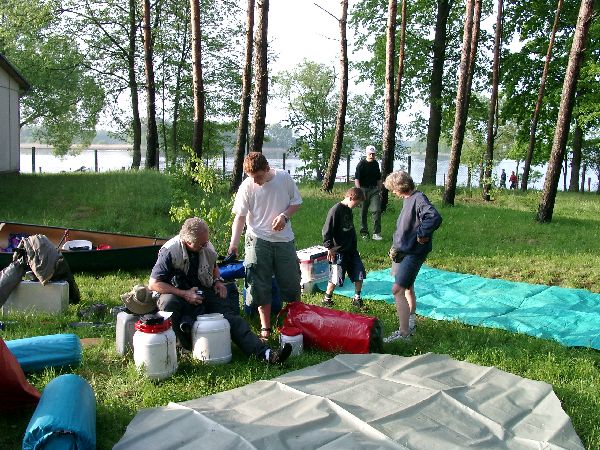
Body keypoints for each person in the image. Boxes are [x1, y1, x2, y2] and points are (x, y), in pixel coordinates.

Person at [148, 217, 292, 365]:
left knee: (229, 317)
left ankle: (266, 354)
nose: (206, 245)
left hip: (202, 290)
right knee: (168, 303)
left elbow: (213, 266)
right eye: (201, 244)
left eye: (206, 241)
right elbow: (154, 283)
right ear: (188, 241)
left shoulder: (206, 247)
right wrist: (184, 294)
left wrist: (218, 282)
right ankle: (183, 348)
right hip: (175, 293)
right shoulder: (170, 251)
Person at [228, 152, 302, 342]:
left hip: (284, 240)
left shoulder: (283, 178)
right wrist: (233, 245)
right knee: (260, 284)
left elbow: (296, 202)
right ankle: (265, 328)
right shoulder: (247, 186)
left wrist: (285, 216)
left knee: (292, 283)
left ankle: (294, 323)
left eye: (259, 177)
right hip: (258, 240)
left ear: (267, 168)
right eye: (253, 178)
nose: (257, 182)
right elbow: (240, 217)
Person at [382, 171, 442, 343]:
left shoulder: (419, 198)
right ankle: (410, 322)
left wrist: (423, 234)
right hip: (402, 250)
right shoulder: (409, 199)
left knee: (397, 290)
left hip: (413, 252)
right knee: (407, 287)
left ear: (400, 187)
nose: (393, 193)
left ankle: (404, 334)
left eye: (393, 189)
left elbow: (433, 217)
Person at [321, 187, 367, 309]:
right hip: (339, 252)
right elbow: (326, 230)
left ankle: (357, 298)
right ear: (351, 197)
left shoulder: (348, 210)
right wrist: (329, 247)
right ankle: (327, 298)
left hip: (351, 251)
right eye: (356, 203)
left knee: (359, 273)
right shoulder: (335, 210)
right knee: (336, 276)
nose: (357, 205)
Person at [354, 145, 383, 241]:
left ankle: (376, 233)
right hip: (363, 189)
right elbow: (357, 179)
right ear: (366, 153)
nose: (372, 155)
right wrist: (358, 191)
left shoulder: (376, 164)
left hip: (374, 190)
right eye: (370, 153)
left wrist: (380, 190)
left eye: (373, 154)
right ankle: (364, 233)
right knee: (363, 212)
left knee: (377, 210)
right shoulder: (361, 164)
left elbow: (379, 178)